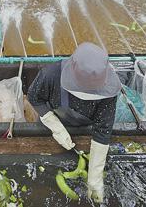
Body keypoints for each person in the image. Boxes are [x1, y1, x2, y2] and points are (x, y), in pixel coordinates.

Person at [27, 42, 121, 203]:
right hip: (52, 122)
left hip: (85, 127)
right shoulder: (51, 75)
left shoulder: (108, 89)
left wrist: (95, 180)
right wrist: (54, 126)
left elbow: (102, 131)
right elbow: (34, 97)